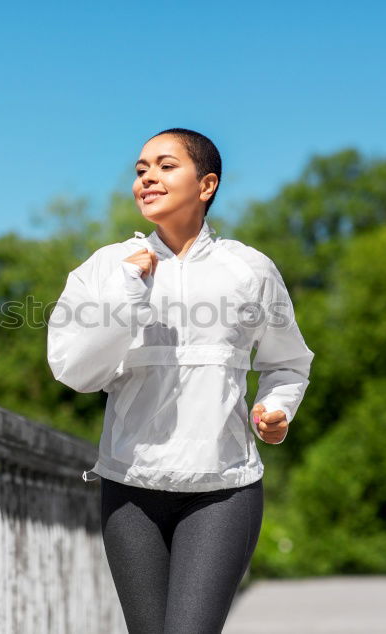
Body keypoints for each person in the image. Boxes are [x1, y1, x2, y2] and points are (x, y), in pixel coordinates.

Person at [46, 128, 314, 633]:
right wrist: (128, 290)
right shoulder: (107, 269)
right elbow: (75, 370)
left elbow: (288, 361)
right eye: (141, 169)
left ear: (206, 184)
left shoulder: (250, 269)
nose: (147, 177)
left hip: (223, 489)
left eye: (166, 166)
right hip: (129, 489)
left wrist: (277, 408)